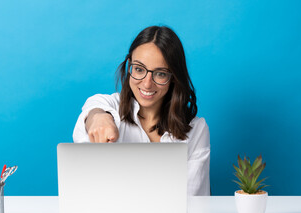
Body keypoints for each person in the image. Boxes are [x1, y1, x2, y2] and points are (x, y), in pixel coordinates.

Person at [73, 26, 210, 196]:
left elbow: (194, 197)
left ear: (173, 77)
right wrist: (98, 117)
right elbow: (94, 105)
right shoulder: (111, 107)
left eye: (160, 74)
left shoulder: (196, 129)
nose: (146, 84)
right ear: (129, 67)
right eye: (138, 69)